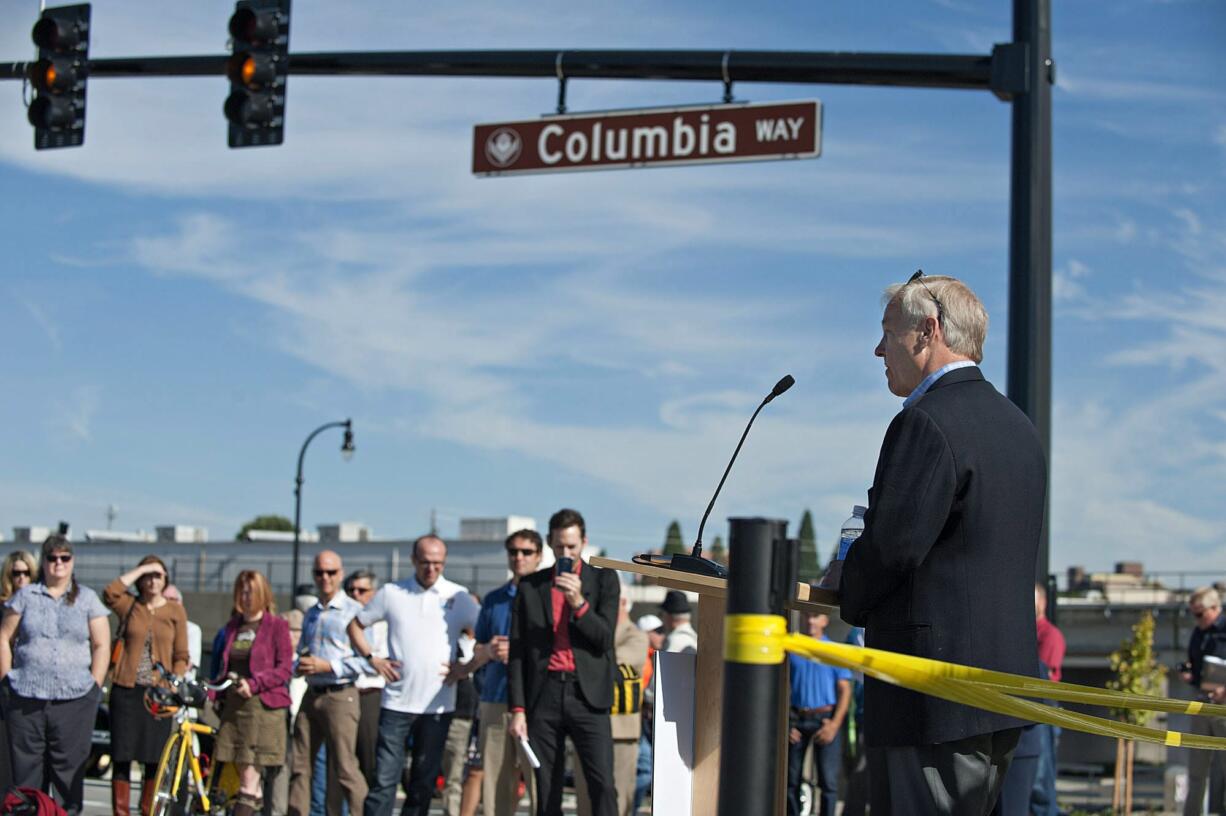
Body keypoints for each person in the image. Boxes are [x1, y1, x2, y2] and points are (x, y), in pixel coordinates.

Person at [839, 272, 1047, 815]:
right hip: (999, 696)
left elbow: (892, 550)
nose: (879, 349)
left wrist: (846, 586)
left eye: (890, 333)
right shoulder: (1019, 427)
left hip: (932, 699)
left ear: (928, 331)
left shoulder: (926, 423)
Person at [348, 535, 480, 816]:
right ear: (413, 561)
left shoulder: (458, 596)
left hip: (438, 706)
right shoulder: (392, 593)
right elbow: (356, 626)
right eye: (425, 562)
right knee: (384, 781)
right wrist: (373, 659)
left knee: (423, 783)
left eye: (437, 563)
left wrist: (466, 667)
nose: (431, 569)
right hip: (396, 704)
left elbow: (486, 633)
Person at [508, 508, 620, 816]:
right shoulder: (530, 586)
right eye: (559, 547)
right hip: (544, 694)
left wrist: (579, 603)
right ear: (549, 544)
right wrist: (518, 709)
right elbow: (517, 652)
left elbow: (605, 639)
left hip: (587, 695)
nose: (566, 552)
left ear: (584, 542)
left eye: (571, 546)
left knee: (602, 782)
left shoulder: (604, 580)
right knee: (546, 785)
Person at [0, 534, 110, 816]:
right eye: (52, 558)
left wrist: (94, 687)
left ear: (72, 561)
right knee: (27, 772)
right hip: (26, 698)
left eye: (64, 558)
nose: (58, 563)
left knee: (68, 772)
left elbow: (101, 644)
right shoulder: (25, 596)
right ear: (44, 562)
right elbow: (4, 638)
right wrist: (6, 680)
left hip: (74, 700)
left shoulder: (87, 599)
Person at [454, 529, 543, 816]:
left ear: (539, 556)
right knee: (495, 786)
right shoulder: (494, 600)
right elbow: (476, 649)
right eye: (514, 552)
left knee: (540, 783)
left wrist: (521, 650)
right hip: (495, 699)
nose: (519, 558)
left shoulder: (548, 598)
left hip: (535, 703)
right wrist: (490, 651)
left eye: (526, 552)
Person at [102, 556, 191, 816]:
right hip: (126, 689)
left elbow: (181, 654)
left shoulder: (175, 611)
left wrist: (174, 681)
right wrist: (141, 568)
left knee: (153, 759)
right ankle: (121, 812)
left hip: (158, 694)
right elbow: (109, 593)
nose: (153, 580)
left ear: (166, 580)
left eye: (158, 575)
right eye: (148, 576)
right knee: (122, 755)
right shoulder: (130, 605)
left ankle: (147, 811)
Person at [288, 550, 369, 816]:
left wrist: (329, 666)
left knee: (345, 768)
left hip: (340, 694)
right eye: (319, 572)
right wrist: (299, 664)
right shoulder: (311, 613)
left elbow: (369, 661)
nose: (325, 578)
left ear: (341, 574)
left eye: (331, 572)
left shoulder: (355, 612)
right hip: (312, 693)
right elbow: (301, 650)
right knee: (299, 765)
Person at [214, 570, 294, 816]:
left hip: (263, 708)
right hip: (235, 707)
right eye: (242, 591)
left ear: (262, 593)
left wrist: (255, 683)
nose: (246, 597)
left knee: (249, 779)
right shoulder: (233, 626)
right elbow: (223, 666)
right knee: (249, 783)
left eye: (251, 592)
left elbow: (284, 668)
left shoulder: (276, 626)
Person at [575, 592, 648, 816]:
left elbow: (612, 664)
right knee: (586, 799)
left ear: (624, 602)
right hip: (589, 725)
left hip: (621, 731)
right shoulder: (590, 630)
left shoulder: (635, 636)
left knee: (619, 799)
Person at [786, 612, 851, 816]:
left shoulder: (832, 650)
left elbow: (845, 690)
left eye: (815, 616)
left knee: (828, 782)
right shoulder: (792, 647)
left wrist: (834, 725)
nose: (810, 620)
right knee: (790, 780)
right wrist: (786, 724)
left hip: (825, 720)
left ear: (825, 621)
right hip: (796, 720)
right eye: (808, 616)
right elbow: (779, 688)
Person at [1182, 587, 1226, 815]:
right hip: (1201, 701)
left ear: (1216, 608)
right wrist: (1190, 672)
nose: (1197, 619)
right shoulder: (1198, 633)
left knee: (1223, 768)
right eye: (1193, 614)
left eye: (1200, 614)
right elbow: (1195, 663)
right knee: (1196, 769)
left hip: (1223, 707)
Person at [344, 570, 387, 791]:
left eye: (362, 590)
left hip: (370, 693)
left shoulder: (381, 624)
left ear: (374, 593)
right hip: (344, 692)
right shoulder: (340, 619)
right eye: (351, 590)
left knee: (368, 757)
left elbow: (382, 663)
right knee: (343, 761)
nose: (355, 595)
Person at [0, 549, 38, 795]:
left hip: (34, 687)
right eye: (16, 573)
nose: (22, 578)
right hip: (6, 685)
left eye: (27, 573)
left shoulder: (42, 606)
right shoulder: (3, 606)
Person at [1030, 583, 1064, 816]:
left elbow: (1039, 677)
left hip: (1042, 714)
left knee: (1040, 784)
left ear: (1042, 602)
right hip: (1028, 711)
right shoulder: (1024, 633)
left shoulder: (1049, 635)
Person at [633, 614, 665, 812]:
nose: (662, 635)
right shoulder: (642, 658)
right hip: (638, 719)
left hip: (642, 719)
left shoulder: (651, 656)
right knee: (645, 768)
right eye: (658, 631)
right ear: (647, 633)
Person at [163, 585, 203, 680]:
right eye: (164, 599)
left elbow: (188, 664)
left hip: (181, 686)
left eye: (173, 599)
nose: (169, 603)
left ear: (180, 603)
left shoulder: (192, 629)